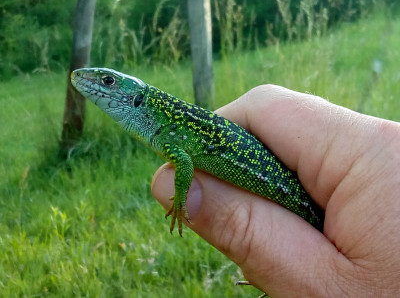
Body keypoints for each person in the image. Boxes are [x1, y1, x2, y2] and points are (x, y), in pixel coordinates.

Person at [151, 84, 400, 297]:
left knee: (312, 226)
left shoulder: (169, 130)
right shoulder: (172, 127)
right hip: (283, 188)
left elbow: (184, 163)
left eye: (109, 82)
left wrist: (181, 199)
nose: (108, 88)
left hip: (290, 192)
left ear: (139, 98)